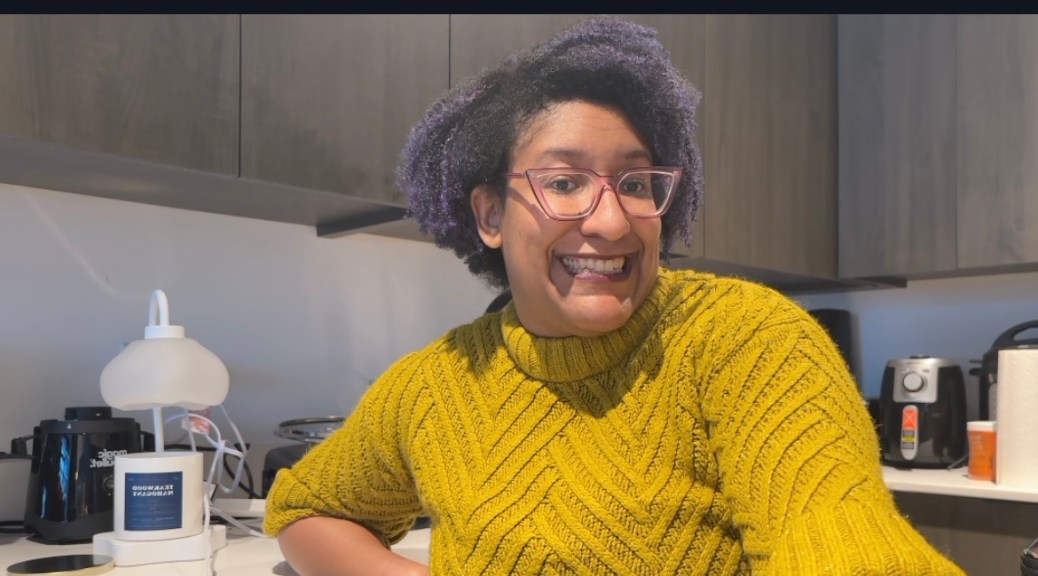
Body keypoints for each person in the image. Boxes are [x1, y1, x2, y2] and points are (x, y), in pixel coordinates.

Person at [264, 15, 965, 575]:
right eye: (564, 182)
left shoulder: (746, 339)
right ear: (490, 214)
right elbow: (306, 508)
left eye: (635, 183)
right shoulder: (436, 385)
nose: (610, 221)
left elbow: (837, 532)